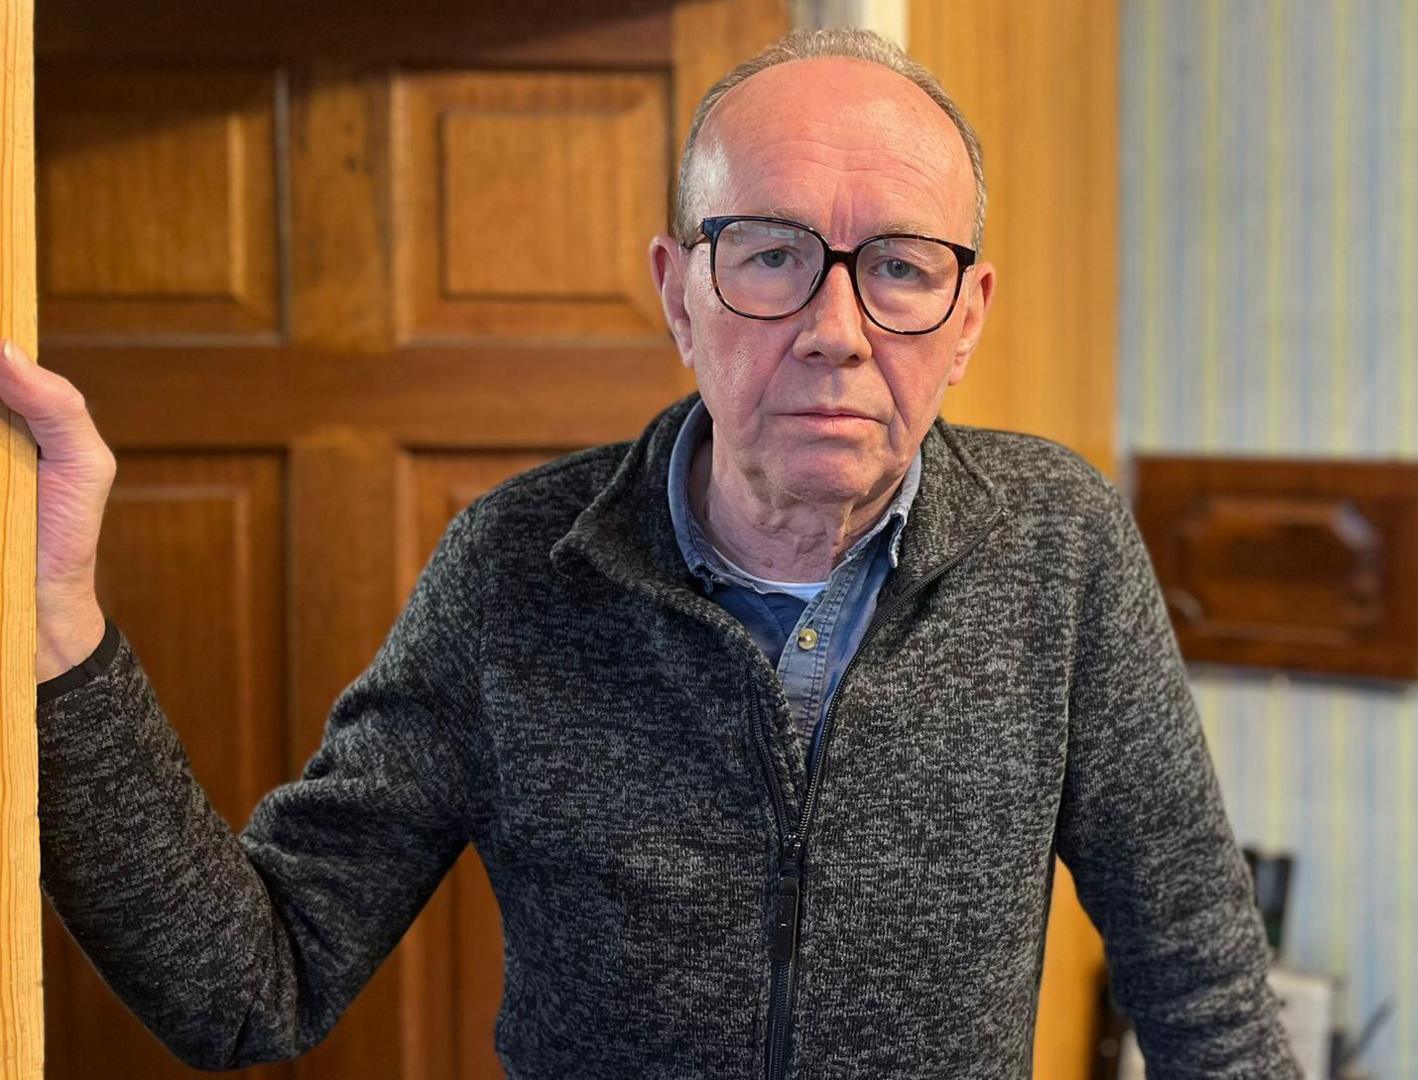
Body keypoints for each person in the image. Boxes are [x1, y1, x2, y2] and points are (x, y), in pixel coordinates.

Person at [3, 28, 1296, 1080]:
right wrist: (59, 626)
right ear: (679, 290)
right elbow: (249, 990)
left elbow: (1207, 1002)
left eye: (900, 267)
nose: (837, 329)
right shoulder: (513, 571)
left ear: (966, 315)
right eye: (773, 256)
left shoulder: (1059, 546)